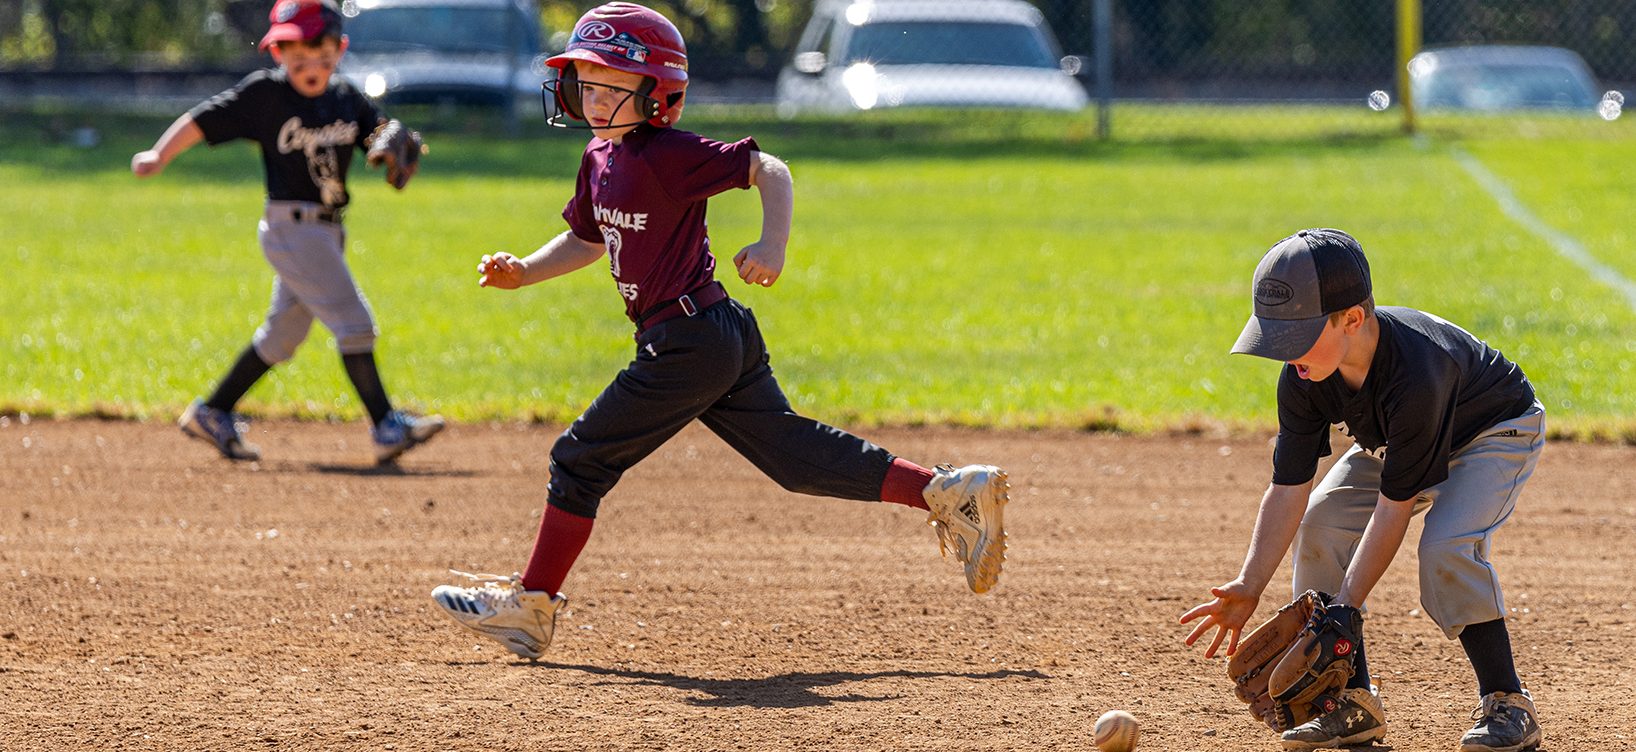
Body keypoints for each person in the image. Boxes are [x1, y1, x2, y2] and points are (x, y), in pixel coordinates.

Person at [426, 2, 1011, 661]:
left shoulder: (670, 153)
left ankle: (531, 608)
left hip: (689, 341)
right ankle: (946, 491)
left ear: (657, 95)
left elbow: (771, 169)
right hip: (711, 334)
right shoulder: (599, 158)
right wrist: (523, 272)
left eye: (611, 85)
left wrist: (773, 240)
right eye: (585, 83)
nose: (592, 99)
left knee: (578, 460)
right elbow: (587, 239)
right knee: (793, 459)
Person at [1179, 229, 1546, 752]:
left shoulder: (1418, 372)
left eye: (1297, 334)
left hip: (1491, 431)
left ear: (1352, 318)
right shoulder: (1305, 375)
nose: (1286, 353)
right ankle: (1351, 705)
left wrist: (1346, 607)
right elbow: (1288, 488)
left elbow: (1393, 509)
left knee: (1445, 546)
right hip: (1395, 440)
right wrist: (1250, 582)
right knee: (1321, 524)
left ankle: (1508, 702)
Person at [130, 0, 443, 465]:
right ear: (277, 54)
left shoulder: (345, 98)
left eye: (320, 54)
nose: (309, 66)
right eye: (296, 56)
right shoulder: (266, 96)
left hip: (327, 232)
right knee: (354, 323)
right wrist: (160, 155)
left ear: (340, 49)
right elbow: (204, 119)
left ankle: (212, 411)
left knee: (281, 339)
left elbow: (381, 133)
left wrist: (396, 142)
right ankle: (385, 425)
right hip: (290, 228)